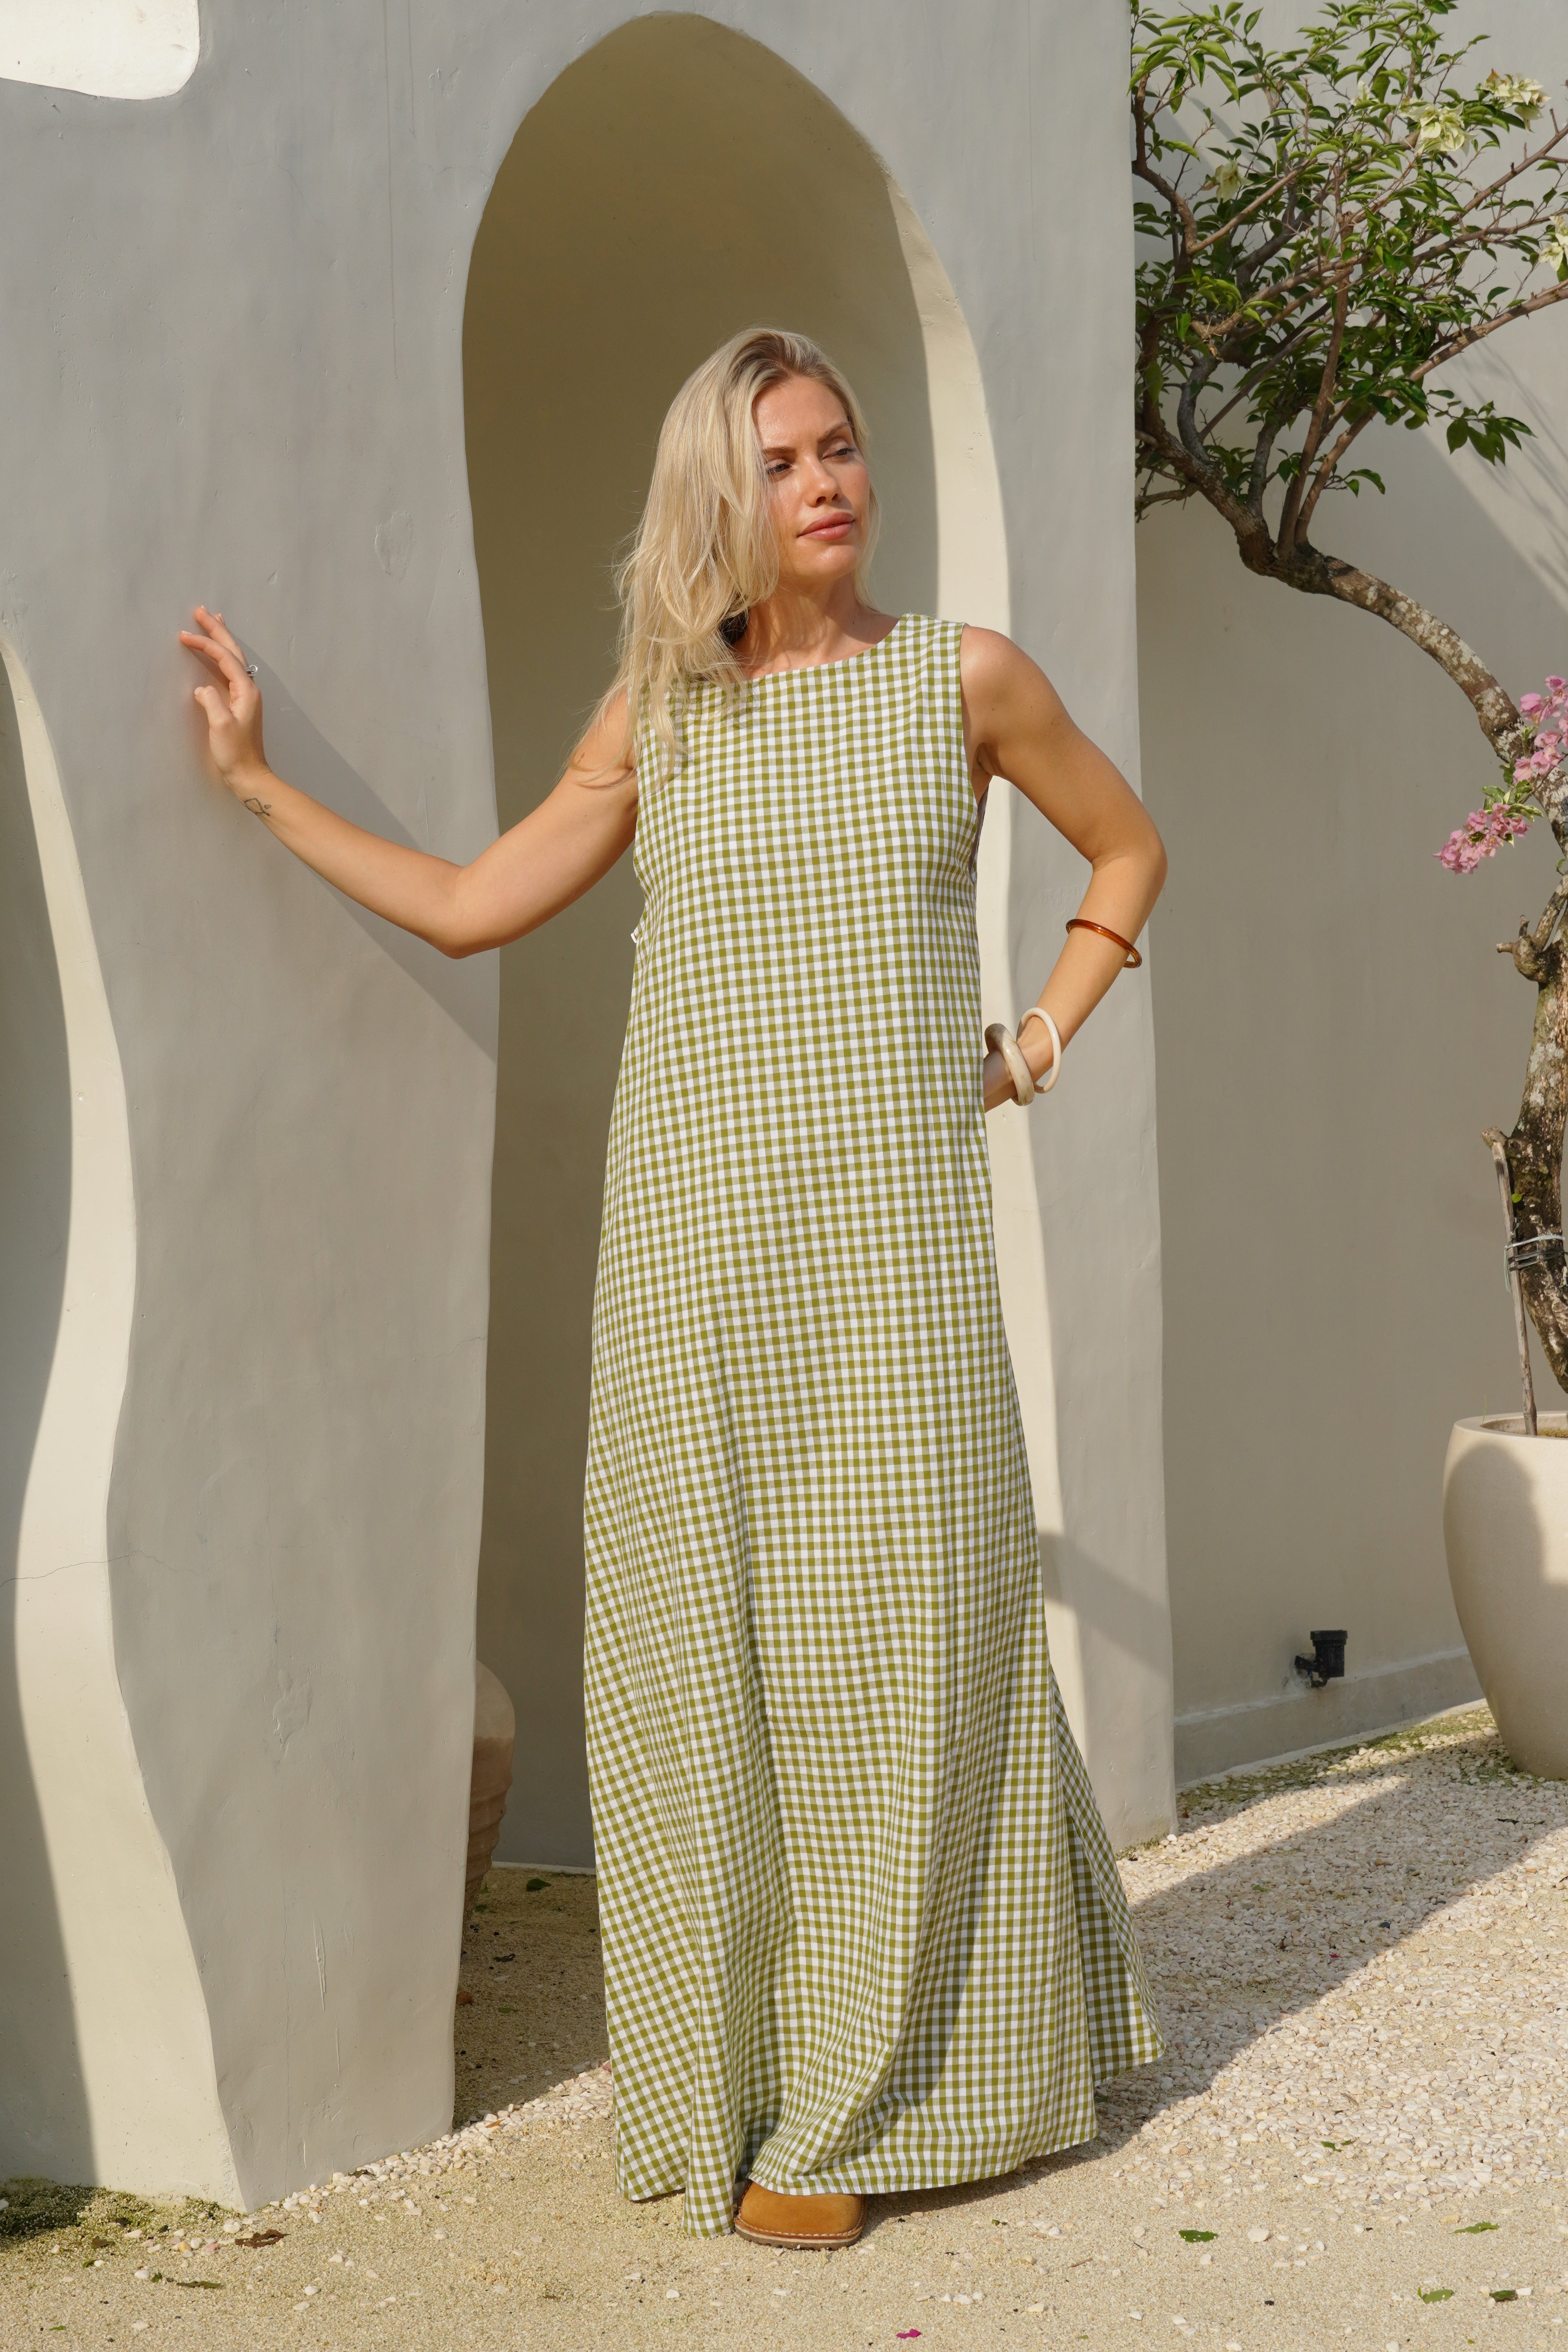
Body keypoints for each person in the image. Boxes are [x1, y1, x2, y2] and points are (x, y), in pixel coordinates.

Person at [181, 325, 1167, 2251]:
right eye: (783, 459)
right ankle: (735, 2074)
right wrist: (256, 789)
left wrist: (1031, 1045)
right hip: (688, 1256)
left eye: (842, 446)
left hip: (893, 1252)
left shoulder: (962, 679)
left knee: (908, 1647)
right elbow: (473, 903)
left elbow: (1127, 849)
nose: (828, 482)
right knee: (701, 1666)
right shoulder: (662, 712)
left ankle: (859, 2106)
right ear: (721, 492)